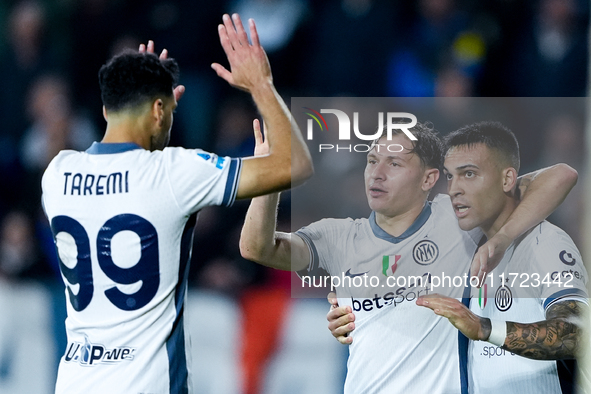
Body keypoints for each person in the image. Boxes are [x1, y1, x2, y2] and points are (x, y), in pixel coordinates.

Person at [41, 13, 313, 394]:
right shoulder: (174, 173)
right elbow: (294, 164)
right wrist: (262, 85)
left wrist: (144, 88)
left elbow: (126, 176)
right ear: (157, 111)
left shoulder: (57, 175)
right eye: (167, 112)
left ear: (105, 109)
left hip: (75, 381)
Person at [239, 119, 576, 393]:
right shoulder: (336, 237)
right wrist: (269, 178)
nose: (377, 172)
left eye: (394, 163)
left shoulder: (459, 221)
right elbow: (256, 248)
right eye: (372, 160)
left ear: (429, 178)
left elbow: (560, 176)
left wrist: (501, 238)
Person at [415, 121, 588, 393]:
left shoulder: (544, 243)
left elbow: (577, 334)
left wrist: (484, 328)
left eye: (469, 174)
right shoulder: (468, 243)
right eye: (450, 176)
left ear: (508, 180)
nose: (453, 189)